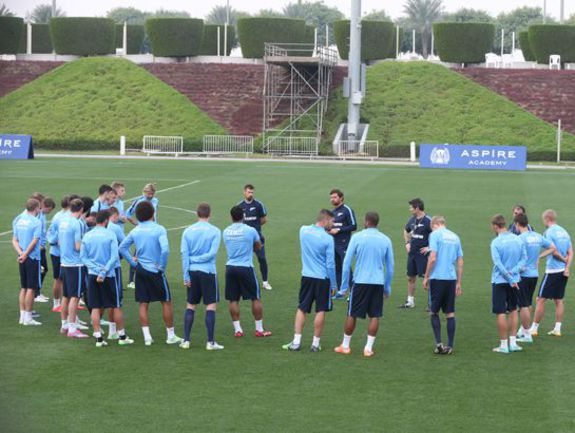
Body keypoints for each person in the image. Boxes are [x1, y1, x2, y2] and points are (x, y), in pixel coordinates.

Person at [119, 201, 181, 346]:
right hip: (155, 271)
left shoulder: (135, 230)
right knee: (166, 301)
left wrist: (133, 263)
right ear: (153, 214)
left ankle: (147, 337)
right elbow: (165, 250)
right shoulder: (159, 229)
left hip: (140, 270)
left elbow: (122, 248)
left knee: (143, 303)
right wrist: (162, 267)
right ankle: (170, 336)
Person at [333, 212, 394, 357]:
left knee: (352, 314)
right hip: (377, 283)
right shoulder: (386, 239)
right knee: (375, 315)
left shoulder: (357, 237)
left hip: (360, 282)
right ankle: (368, 348)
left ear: (366, 222)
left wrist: (343, 287)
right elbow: (390, 268)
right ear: (377, 223)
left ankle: (345, 346)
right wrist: (387, 288)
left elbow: (346, 263)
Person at [283, 209, 337, 352]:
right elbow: (330, 264)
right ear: (326, 220)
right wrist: (334, 284)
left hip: (306, 276)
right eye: (332, 221)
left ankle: (296, 342)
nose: (333, 224)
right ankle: (315, 344)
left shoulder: (303, 230)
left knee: (302, 308)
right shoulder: (328, 239)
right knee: (321, 309)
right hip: (322, 279)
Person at [80, 210, 134, 348]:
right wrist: (103, 271)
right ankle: (122, 336)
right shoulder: (110, 234)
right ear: (106, 221)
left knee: (95, 306)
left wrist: (96, 269)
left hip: (92, 275)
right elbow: (114, 257)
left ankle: (98, 338)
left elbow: (83, 257)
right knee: (115, 305)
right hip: (109, 275)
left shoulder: (87, 235)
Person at [180, 203, 224, 350]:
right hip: (208, 272)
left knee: (191, 305)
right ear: (209, 214)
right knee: (210, 305)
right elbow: (212, 253)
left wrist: (186, 275)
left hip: (192, 272)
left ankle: (186, 340)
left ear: (197, 214)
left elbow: (184, 254)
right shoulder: (215, 231)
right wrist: (198, 260)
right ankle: (210, 342)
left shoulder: (187, 231)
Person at [223, 205, 272, 339]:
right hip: (246, 267)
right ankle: (259, 329)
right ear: (243, 216)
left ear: (231, 217)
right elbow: (258, 246)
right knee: (255, 298)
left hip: (230, 267)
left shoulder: (226, 231)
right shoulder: (250, 230)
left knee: (233, 299)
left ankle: (238, 330)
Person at [422, 216, 463, 355]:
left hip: (437, 278)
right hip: (451, 279)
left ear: (435, 224)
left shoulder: (435, 235)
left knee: (434, 311)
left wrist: (426, 276)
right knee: (450, 313)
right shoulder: (455, 237)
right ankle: (450, 346)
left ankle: (439, 344)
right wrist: (458, 282)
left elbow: (433, 258)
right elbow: (460, 261)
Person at [530, 210, 573, 337]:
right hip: (563, 271)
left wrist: (562, 259)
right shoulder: (564, 231)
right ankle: (557, 329)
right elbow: (571, 252)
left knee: (540, 299)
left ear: (547, 219)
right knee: (559, 300)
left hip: (553, 271)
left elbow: (552, 251)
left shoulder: (549, 232)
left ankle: (534, 328)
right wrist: (567, 267)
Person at [515, 214, 555, 343]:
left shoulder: (520, 239)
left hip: (523, 275)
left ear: (517, 224)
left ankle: (527, 334)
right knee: (527, 303)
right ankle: (523, 329)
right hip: (534, 275)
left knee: (523, 305)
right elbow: (552, 248)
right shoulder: (537, 236)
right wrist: (539, 256)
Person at [490, 214, 526, 354]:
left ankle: (504, 345)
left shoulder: (495, 242)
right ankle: (513, 343)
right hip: (515, 281)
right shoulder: (518, 239)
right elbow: (524, 259)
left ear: (495, 226)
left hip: (500, 281)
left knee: (500, 312)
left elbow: (498, 264)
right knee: (513, 310)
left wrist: (508, 277)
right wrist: (514, 273)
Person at [58, 198, 90, 338]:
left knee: (66, 295)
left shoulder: (63, 221)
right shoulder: (77, 223)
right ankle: (72, 328)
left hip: (64, 262)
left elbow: (59, 242)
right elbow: (78, 247)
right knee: (75, 297)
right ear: (81, 209)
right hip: (76, 264)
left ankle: (64, 324)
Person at [12, 198, 42, 326]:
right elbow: (35, 241)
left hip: (22, 257)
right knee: (31, 288)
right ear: (36, 208)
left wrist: (21, 253)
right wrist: (25, 254)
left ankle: (22, 316)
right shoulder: (36, 222)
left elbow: (14, 240)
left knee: (23, 287)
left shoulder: (19, 220)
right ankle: (28, 318)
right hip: (32, 257)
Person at [238, 184, 272, 290]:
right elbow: (237, 221)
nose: (251, 194)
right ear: (244, 192)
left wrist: (255, 227)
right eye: (249, 192)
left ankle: (265, 282)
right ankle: (243, 282)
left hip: (257, 238)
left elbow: (264, 219)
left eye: (252, 192)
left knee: (262, 258)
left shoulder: (258, 205)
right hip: (244, 239)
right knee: (243, 260)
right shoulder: (239, 206)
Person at [399, 198, 432, 309]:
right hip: (412, 254)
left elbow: (437, 235)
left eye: (411, 208)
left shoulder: (428, 221)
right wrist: (407, 243)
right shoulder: (412, 219)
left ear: (417, 208)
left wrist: (429, 248)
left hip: (424, 256)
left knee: (427, 278)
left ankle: (432, 303)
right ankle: (410, 302)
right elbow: (406, 230)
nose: (410, 209)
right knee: (410, 277)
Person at [126, 183, 158, 289]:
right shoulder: (139, 201)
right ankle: (131, 280)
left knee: (154, 253)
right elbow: (128, 214)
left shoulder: (155, 201)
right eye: (148, 193)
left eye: (152, 194)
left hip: (153, 231)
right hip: (142, 232)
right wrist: (137, 224)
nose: (150, 196)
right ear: (144, 192)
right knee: (137, 253)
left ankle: (152, 277)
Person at [328, 189, 357, 300]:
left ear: (341, 198)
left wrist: (339, 230)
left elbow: (353, 226)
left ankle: (353, 291)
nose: (332, 199)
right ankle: (341, 291)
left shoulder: (347, 210)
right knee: (338, 268)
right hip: (334, 244)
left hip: (344, 244)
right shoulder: (332, 212)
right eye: (331, 197)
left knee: (346, 267)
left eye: (335, 197)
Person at [47, 195, 71, 312]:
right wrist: (56, 241)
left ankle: (69, 301)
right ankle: (56, 303)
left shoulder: (64, 215)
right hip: (58, 253)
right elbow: (51, 235)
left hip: (65, 253)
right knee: (58, 279)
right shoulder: (59, 217)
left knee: (67, 278)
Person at [106, 206, 126, 340]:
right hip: (114, 267)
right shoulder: (115, 228)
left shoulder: (97, 230)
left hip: (101, 267)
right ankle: (120, 334)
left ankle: (109, 331)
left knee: (105, 301)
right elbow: (125, 243)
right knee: (117, 301)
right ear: (114, 216)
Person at [36, 197, 55, 302]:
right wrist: (39, 245)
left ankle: (37, 292)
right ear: (45, 206)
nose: (50, 212)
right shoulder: (38, 215)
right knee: (41, 269)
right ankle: (35, 293)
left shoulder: (42, 215)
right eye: (49, 209)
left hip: (42, 247)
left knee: (43, 269)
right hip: (38, 248)